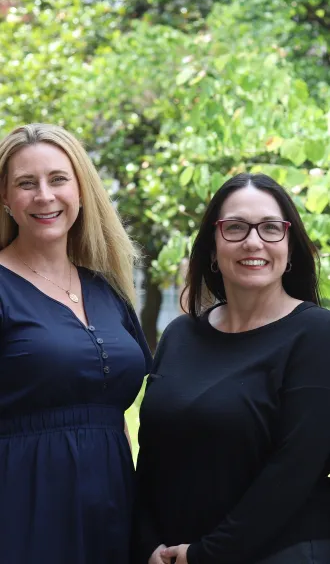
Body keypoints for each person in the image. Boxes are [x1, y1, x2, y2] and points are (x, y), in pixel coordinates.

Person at [132, 173, 330, 564]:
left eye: (271, 228)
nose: (253, 241)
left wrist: (207, 554)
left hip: (280, 553)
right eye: (235, 227)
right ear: (211, 246)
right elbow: (151, 455)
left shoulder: (317, 334)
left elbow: (294, 470)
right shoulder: (180, 334)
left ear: (290, 249)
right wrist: (146, 543)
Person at [0, 122, 151, 564]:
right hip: (21, 506)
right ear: (5, 198)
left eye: (58, 179)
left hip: (113, 504)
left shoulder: (109, 289)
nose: (44, 196)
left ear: (82, 190)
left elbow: (116, 414)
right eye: (26, 184)